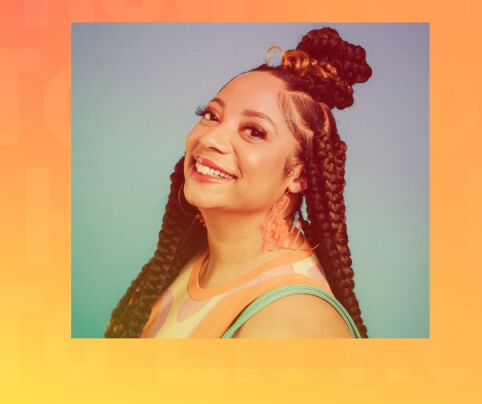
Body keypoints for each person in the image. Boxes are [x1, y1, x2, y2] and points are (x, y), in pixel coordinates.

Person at [105, 28, 371, 338]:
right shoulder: (191, 264)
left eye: (254, 131)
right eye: (211, 115)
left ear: (299, 175)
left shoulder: (289, 321)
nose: (211, 138)